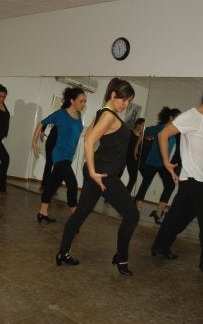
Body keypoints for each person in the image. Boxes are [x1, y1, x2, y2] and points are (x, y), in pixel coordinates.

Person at [56, 78, 140, 276]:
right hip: (104, 175)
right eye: (124, 100)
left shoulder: (102, 112)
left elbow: (87, 137)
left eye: (129, 101)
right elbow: (89, 142)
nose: (126, 105)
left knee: (81, 212)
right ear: (113, 96)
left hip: (98, 172)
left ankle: (63, 253)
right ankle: (122, 259)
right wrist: (94, 172)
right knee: (132, 215)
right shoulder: (109, 116)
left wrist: (92, 170)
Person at [151, 83, 203, 279]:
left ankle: (160, 246)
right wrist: (167, 162)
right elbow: (163, 134)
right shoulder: (191, 117)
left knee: (179, 218)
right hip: (195, 179)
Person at [32, 87, 86, 223]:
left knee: (53, 184)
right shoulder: (61, 114)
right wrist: (34, 142)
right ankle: (75, 218)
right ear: (72, 101)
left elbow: (79, 132)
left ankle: (42, 212)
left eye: (85, 101)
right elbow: (41, 123)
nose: (83, 104)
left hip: (68, 156)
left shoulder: (79, 117)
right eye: (81, 101)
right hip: (59, 154)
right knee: (72, 184)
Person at [134, 107, 181, 223]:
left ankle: (158, 212)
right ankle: (135, 209)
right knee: (146, 184)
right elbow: (144, 133)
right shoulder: (160, 128)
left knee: (170, 185)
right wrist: (137, 147)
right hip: (152, 160)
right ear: (171, 117)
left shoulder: (176, 132)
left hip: (164, 164)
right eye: (177, 117)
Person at [125, 117, 145, 194]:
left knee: (133, 179)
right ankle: (108, 197)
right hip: (124, 157)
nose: (144, 128)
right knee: (117, 176)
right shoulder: (129, 133)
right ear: (137, 125)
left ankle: (125, 196)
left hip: (135, 160)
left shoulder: (143, 137)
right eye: (142, 125)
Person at [39, 124, 58, 190]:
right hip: (51, 141)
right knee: (49, 163)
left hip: (60, 144)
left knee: (58, 165)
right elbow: (45, 121)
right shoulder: (59, 114)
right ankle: (44, 185)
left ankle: (52, 187)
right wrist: (42, 131)